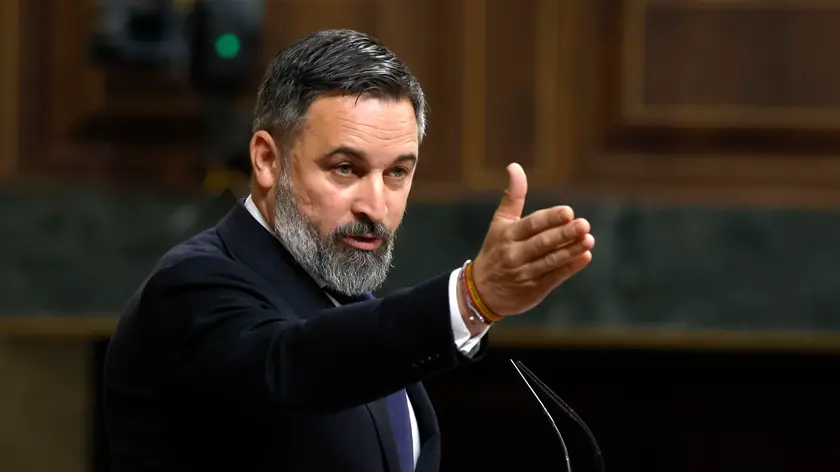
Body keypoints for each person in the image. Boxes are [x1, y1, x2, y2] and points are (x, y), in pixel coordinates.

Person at [103, 29, 595, 472]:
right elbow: (291, 366)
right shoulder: (193, 286)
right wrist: (470, 299)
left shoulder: (351, 304)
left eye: (397, 172)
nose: (375, 205)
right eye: (345, 168)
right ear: (268, 160)